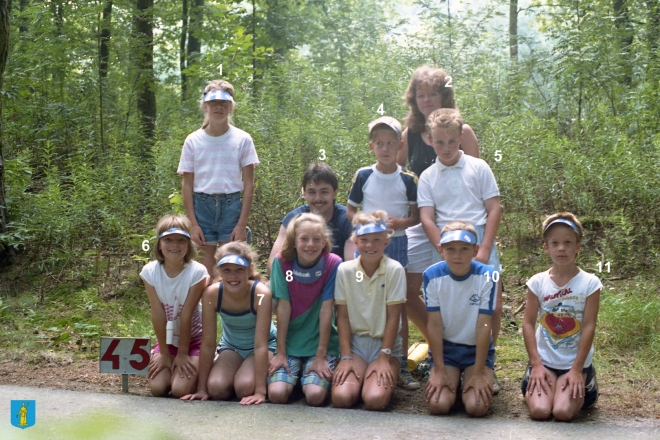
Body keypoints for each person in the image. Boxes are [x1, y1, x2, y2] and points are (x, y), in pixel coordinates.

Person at [417, 108, 503, 387]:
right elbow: (427, 217)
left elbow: (493, 208)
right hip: (446, 242)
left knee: (493, 302)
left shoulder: (479, 167)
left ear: (461, 138)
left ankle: (486, 363)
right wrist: (442, 247)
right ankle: (443, 362)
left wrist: (485, 248)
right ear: (430, 140)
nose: (446, 148)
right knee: (448, 307)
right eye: (439, 142)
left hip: (478, 238)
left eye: (452, 141)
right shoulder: (428, 176)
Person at [346, 116, 420, 390]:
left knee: (397, 305)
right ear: (371, 146)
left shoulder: (408, 178)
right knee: (365, 300)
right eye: (380, 144)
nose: (385, 149)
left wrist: (401, 223)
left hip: (397, 243)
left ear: (400, 145)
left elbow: (417, 216)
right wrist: (364, 224)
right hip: (366, 244)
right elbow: (351, 211)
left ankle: (400, 363)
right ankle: (359, 354)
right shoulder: (363, 175)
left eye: (391, 143)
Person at [521, 213, 602, 421]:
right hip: (545, 361)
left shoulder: (590, 283)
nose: (561, 248)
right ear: (545, 247)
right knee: (540, 411)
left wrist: (576, 369)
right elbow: (528, 324)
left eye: (568, 242)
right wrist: (536, 364)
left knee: (562, 412)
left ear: (578, 247)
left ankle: (587, 381)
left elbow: (589, 326)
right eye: (555, 243)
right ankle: (532, 377)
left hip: (573, 363)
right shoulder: (537, 282)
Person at [178, 80, 258, 276]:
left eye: (224, 103)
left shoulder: (243, 139)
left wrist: (241, 224)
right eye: (213, 103)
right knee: (204, 270)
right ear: (205, 106)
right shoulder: (193, 140)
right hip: (201, 206)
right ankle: (205, 306)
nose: (219, 107)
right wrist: (193, 224)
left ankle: (230, 306)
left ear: (231, 107)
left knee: (230, 265)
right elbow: (187, 185)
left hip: (231, 206)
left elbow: (248, 185)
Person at [181, 242, 276, 404]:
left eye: (239, 270)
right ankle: (232, 376)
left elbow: (260, 345)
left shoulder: (260, 294)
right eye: (227, 270)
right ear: (219, 271)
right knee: (217, 388)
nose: (233, 276)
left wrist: (260, 392)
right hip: (232, 347)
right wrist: (202, 389)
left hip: (262, 347)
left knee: (244, 387)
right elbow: (208, 343)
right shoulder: (212, 294)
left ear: (250, 270)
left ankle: (256, 379)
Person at [332, 211, 406, 411]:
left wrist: (384, 358)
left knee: (375, 399)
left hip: (384, 345)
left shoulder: (394, 269)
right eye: (364, 240)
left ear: (385, 242)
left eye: (376, 240)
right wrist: (346, 356)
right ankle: (362, 375)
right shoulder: (344, 270)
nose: (370, 246)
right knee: (342, 397)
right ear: (356, 242)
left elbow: (393, 318)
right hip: (356, 345)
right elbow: (343, 317)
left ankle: (382, 375)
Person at [423, 221, 497, 417]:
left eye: (465, 249)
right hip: (447, 349)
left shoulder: (489, 276)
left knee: (476, 407)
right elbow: (435, 325)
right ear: (441, 249)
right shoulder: (431, 276)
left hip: (476, 350)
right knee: (439, 405)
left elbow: (484, 326)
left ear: (475, 250)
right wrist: (439, 369)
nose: (457, 255)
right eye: (451, 249)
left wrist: (480, 372)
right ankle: (451, 382)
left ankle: (474, 376)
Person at [267, 213, 342, 406]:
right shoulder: (282, 262)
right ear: (293, 241)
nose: (310, 244)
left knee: (315, 396)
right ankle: (295, 377)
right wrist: (281, 352)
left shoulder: (333, 263)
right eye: (304, 239)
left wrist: (321, 356)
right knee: (276, 394)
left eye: (317, 239)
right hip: (290, 342)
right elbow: (283, 307)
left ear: (324, 241)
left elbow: (327, 309)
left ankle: (306, 378)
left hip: (319, 343)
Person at [140, 215, 209, 398]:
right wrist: (163, 352)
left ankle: (204, 363)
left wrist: (183, 353)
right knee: (158, 388)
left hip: (194, 340)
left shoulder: (197, 272)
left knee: (180, 390)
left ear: (188, 244)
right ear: (159, 244)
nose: (174, 245)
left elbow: (186, 314)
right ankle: (169, 362)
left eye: (181, 240)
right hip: (167, 341)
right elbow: (157, 314)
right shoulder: (150, 272)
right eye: (168, 240)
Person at [266, 163, 355, 275]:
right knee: (267, 287)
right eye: (312, 192)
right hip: (299, 281)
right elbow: (272, 267)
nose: (318, 198)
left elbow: (352, 266)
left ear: (335, 193)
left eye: (324, 192)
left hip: (335, 284)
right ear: (304, 193)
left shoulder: (346, 219)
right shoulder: (294, 219)